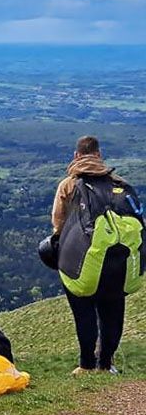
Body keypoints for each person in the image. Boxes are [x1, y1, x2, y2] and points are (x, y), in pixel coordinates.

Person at [52, 136, 137, 375]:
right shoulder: (120, 184)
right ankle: (107, 364)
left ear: (76, 156)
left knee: (84, 312)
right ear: (99, 155)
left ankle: (86, 365)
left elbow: (58, 224)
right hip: (117, 260)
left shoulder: (69, 185)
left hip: (82, 261)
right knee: (113, 310)